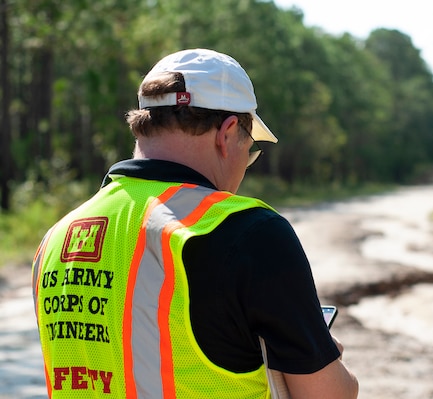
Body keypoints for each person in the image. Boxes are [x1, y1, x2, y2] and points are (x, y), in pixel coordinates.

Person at [31, 48, 359, 398]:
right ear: (228, 133)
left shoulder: (56, 239)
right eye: (250, 151)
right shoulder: (248, 232)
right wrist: (326, 353)